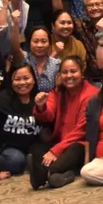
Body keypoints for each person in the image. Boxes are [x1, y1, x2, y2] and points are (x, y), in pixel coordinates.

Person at [30, 57, 98, 190]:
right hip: (61, 141)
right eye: (65, 72)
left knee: (75, 149)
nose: (69, 76)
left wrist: (56, 151)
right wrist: (41, 106)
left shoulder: (92, 95)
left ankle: (44, 174)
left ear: (82, 73)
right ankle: (64, 174)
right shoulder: (58, 91)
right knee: (36, 147)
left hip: (82, 143)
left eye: (73, 71)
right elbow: (47, 115)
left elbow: (81, 131)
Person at [0, 64, 42, 175]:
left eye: (26, 78)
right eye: (17, 79)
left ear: (34, 80)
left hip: (33, 146)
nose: (22, 83)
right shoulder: (1, 99)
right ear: (11, 82)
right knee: (16, 162)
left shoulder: (41, 98)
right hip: (8, 147)